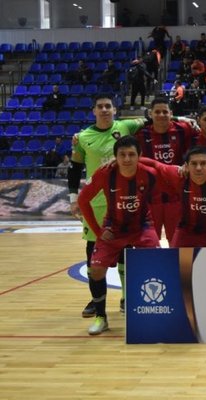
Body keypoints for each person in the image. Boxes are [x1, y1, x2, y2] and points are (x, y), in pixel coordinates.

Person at [68, 94, 149, 318]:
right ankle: (96, 301)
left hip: (123, 202)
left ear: (115, 110)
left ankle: (127, 297)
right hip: (95, 205)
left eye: (108, 106)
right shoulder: (83, 137)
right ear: (93, 111)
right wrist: (73, 199)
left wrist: (185, 118)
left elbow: (153, 119)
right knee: (92, 255)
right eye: (100, 106)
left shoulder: (126, 125)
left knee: (125, 253)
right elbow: (74, 169)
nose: (104, 110)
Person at [78, 136, 161, 335]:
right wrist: (98, 232)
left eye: (132, 154)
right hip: (113, 228)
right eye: (122, 155)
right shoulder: (105, 173)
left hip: (142, 226)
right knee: (96, 271)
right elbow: (83, 200)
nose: (126, 159)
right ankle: (101, 317)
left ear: (139, 156)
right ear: (114, 157)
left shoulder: (149, 173)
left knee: (159, 263)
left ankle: (155, 314)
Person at [141, 146, 206, 247]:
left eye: (203, 163)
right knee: (177, 260)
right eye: (194, 164)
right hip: (186, 232)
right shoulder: (177, 174)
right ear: (186, 166)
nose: (198, 168)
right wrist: (128, 161)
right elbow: (155, 164)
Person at [134, 98, 196, 245]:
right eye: (157, 112)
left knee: (177, 242)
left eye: (165, 111)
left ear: (171, 113)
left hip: (176, 196)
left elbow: (197, 146)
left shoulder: (184, 129)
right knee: (147, 243)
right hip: (150, 197)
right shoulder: (141, 133)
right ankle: (149, 268)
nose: (161, 115)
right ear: (150, 114)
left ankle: (180, 269)